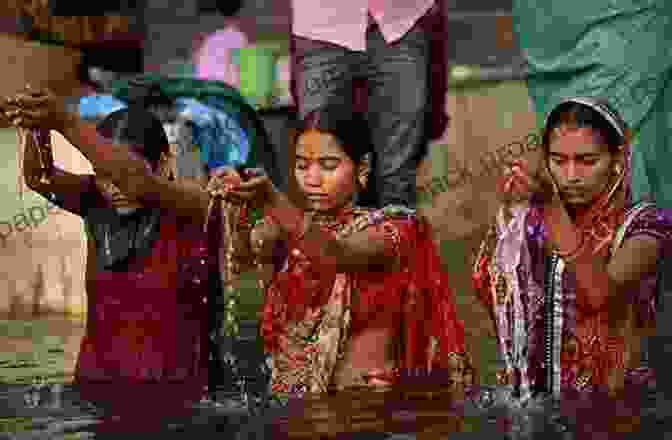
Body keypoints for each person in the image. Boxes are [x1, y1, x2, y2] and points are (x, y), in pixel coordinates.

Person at [3, 86, 241, 428]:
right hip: (95, 401)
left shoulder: (197, 206)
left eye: (118, 172)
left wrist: (65, 120)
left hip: (180, 410)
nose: (113, 185)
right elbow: (41, 177)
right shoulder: (95, 201)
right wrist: (37, 126)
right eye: (102, 175)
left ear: (164, 163)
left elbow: (137, 181)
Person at [217, 106, 474, 399]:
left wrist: (272, 199)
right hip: (298, 406)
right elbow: (241, 266)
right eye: (302, 166)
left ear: (362, 168)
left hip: (367, 408)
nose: (312, 179)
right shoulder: (283, 230)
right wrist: (236, 205)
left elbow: (337, 253)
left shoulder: (392, 230)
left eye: (328, 166)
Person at [472, 97, 672, 435]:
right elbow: (489, 288)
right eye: (558, 160)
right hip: (542, 409)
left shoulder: (646, 226)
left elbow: (601, 296)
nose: (571, 176)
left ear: (618, 159)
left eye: (587, 161)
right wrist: (509, 217)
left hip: (623, 414)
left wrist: (550, 206)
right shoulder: (533, 224)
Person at [290, 0, 448, 209]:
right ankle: (326, 241)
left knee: (397, 178)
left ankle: (396, 238)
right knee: (318, 163)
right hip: (321, 25)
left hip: (401, 21)